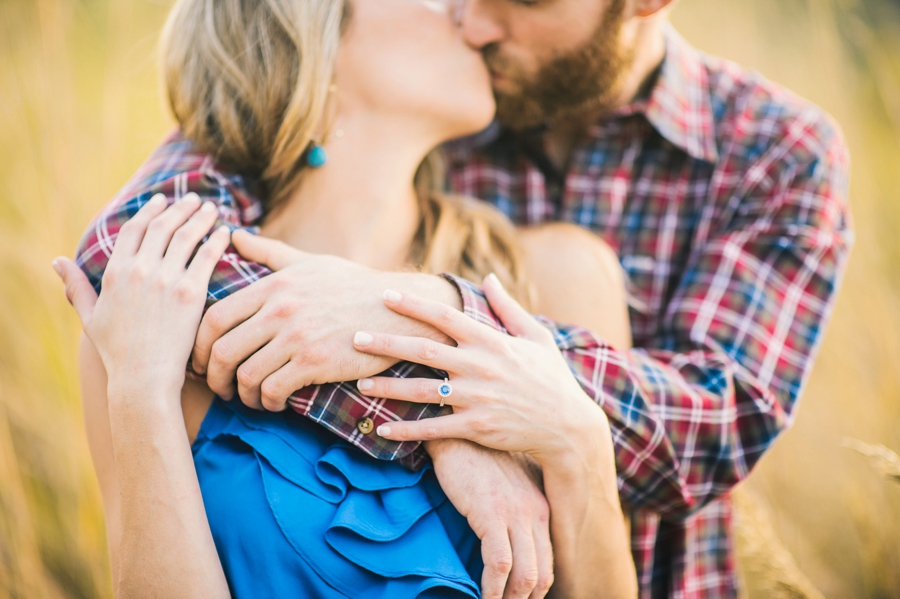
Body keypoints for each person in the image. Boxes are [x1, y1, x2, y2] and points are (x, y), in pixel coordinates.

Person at [59, 0, 853, 597]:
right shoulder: (166, 300)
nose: (472, 16)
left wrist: (465, 368)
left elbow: (716, 425)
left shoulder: (563, 266)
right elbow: (127, 240)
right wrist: (442, 410)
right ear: (311, 39)